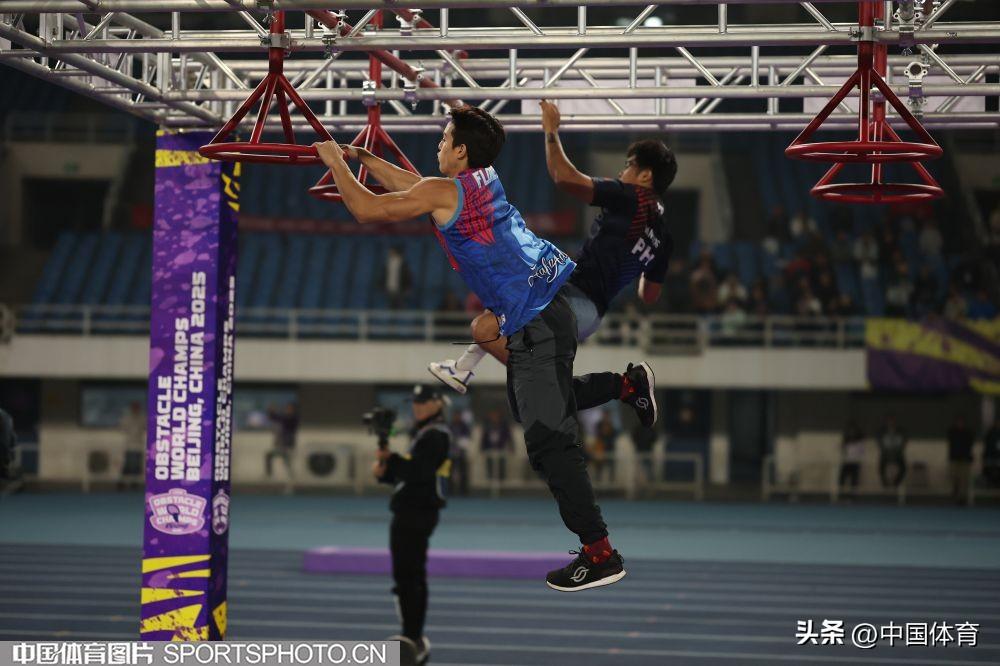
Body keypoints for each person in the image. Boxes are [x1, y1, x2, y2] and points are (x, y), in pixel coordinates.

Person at [315, 105, 643, 591]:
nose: (439, 145)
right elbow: (417, 187)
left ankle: (601, 554)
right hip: (551, 308)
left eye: (445, 139)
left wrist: (335, 163)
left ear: (462, 150)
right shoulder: (481, 179)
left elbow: (368, 209)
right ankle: (627, 386)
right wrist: (363, 157)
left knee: (551, 442)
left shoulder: (446, 191)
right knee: (535, 401)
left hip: (537, 322)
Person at [429, 99, 675, 403]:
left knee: (495, 333)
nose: (623, 172)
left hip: (571, 296)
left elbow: (564, 177)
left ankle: (622, 386)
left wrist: (550, 131)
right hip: (590, 315)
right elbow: (648, 295)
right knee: (500, 316)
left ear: (645, 176)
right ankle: (462, 368)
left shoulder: (633, 197)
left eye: (628, 166)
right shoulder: (664, 238)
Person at [373, 385, 452, 666]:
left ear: (437, 404)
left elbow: (418, 472)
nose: (417, 407)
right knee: (408, 576)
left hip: (416, 512)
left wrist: (391, 460)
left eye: (423, 402)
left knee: (409, 576)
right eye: (415, 402)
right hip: (413, 510)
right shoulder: (425, 433)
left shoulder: (435, 435)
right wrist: (385, 471)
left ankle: (412, 637)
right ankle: (412, 636)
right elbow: (409, 474)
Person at [264, 402, 298, 482]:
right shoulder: (286, 418)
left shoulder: (293, 418)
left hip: (288, 444)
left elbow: (279, 418)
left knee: (284, 458)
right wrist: (271, 412)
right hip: (283, 444)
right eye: (287, 409)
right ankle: (290, 475)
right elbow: (275, 418)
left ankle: (291, 475)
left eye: (289, 409)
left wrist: (272, 412)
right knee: (284, 459)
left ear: (293, 410)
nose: (287, 410)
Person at [947, 415, 974, 505]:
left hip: (965, 459)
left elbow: (970, 445)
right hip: (954, 459)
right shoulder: (952, 432)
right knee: (954, 477)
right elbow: (952, 445)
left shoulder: (968, 433)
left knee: (964, 479)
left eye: (961, 422)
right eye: (958, 422)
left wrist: (967, 456)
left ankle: (962, 498)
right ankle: (955, 493)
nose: (960, 424)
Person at [118, 401, 145, 490]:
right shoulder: (127, 417)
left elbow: (145, 427)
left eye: (137, 408)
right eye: (134, 408)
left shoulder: (142, 417)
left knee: (137, 465)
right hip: (129, 444)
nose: (135, 409)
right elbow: (122, 427)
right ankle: (121, 483)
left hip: (138, 444)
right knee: (128, 465)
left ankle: (135, 484)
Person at [480, 408, 512, 484]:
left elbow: (509, 437)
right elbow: (483, 438)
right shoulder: (487, 426)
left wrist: (511, 447)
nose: (494, 417)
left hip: (500, 448)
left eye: (496, 415)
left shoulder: (504, 425)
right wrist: (482, 448)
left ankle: (501, 481)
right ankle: (490, 480)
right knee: (490, 464)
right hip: (489, 448)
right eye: (493, 415)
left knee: (501, 464)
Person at [877, 415, 908, 489]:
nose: (891, 423)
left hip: (897, 454)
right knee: (881, 468)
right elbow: (880, 443)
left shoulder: (900, 431)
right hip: (886, 454)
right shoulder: (882, 431)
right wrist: (886, 451)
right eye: (889, 421)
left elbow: (903, 442)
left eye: (892, 421)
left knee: (904, 468)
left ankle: (896, 484)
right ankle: (885, 485)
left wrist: (897, 450)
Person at [447, 410, 471, 496]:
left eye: (458, 416)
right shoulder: (450, 426)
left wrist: (460, 441)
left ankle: (463, 490)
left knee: (463, 472)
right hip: (451, 453)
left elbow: (467, 437)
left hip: (461, 453)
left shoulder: (464, 426)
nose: (456, 418)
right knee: (449, 472)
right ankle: (450, 489)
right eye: (455, 416)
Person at [839, 421, 865, 493]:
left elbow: (861, 452)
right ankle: (841, 494)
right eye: (850, 431)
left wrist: (857, 459)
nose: (852, 433)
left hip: (855, 462)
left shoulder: (859, 442)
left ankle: (853, 495)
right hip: (847, 462)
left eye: (853, 431)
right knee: (841, 479)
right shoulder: (846, 441)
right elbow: (843, 451)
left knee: (854, 480)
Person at [983, 417, 1000, 489]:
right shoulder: (990, 433)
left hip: (998, 457)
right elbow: (988, 445)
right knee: (990, 472)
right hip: (991, 456)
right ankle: (990, 484)